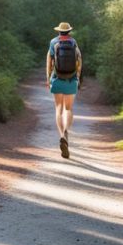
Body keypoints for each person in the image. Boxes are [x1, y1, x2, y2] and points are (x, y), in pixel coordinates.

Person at [47, 22, 82, 158]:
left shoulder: (53, 42)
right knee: (68, 109)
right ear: (69, 31)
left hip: (57, 79)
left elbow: (49, 63)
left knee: (58, 109)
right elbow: (79, 61)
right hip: (71, 80)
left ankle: (61, 135)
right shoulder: (73, 42)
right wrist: (77, 77)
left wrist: (48, 79)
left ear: (59, 31)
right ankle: (66, 131)